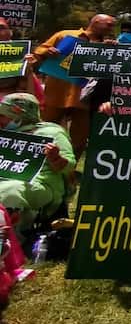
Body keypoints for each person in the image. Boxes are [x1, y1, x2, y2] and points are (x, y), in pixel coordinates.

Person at [29, 12, 115, 153]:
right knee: (44, 130)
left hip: (84, 97)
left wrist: (113, 50)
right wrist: (48, 51)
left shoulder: (106, 45)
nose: (111, 28)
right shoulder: (65, 35)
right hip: (57, 92)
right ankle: (36, 162)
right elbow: (38, 52)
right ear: (96, 22)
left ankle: (70, 169)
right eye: (109, 24)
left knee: (80, 138)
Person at [0, 93, 74, 247]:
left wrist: (56, 158)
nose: (1, 120)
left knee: (10, 190)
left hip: (41, 185)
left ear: (19, 115)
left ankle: (11, 242)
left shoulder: (52, 133)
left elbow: (69, 166)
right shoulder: (4, 135)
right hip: (6, 180)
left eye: (4, 116)